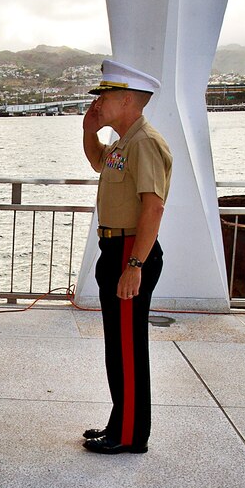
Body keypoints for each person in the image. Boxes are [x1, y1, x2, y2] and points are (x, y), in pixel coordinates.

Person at [80, 60, 172, 455]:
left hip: (130, 252)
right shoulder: (123, 142)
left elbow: (153, 207)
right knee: (118, 346)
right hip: (113, 249)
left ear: (128, 99)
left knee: (129, 349)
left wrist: (134, 266)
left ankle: (132, 435)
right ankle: (120, 423)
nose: (98, 102)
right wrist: (88, 129)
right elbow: (98, 160)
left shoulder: (144, 142)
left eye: (105, 96)